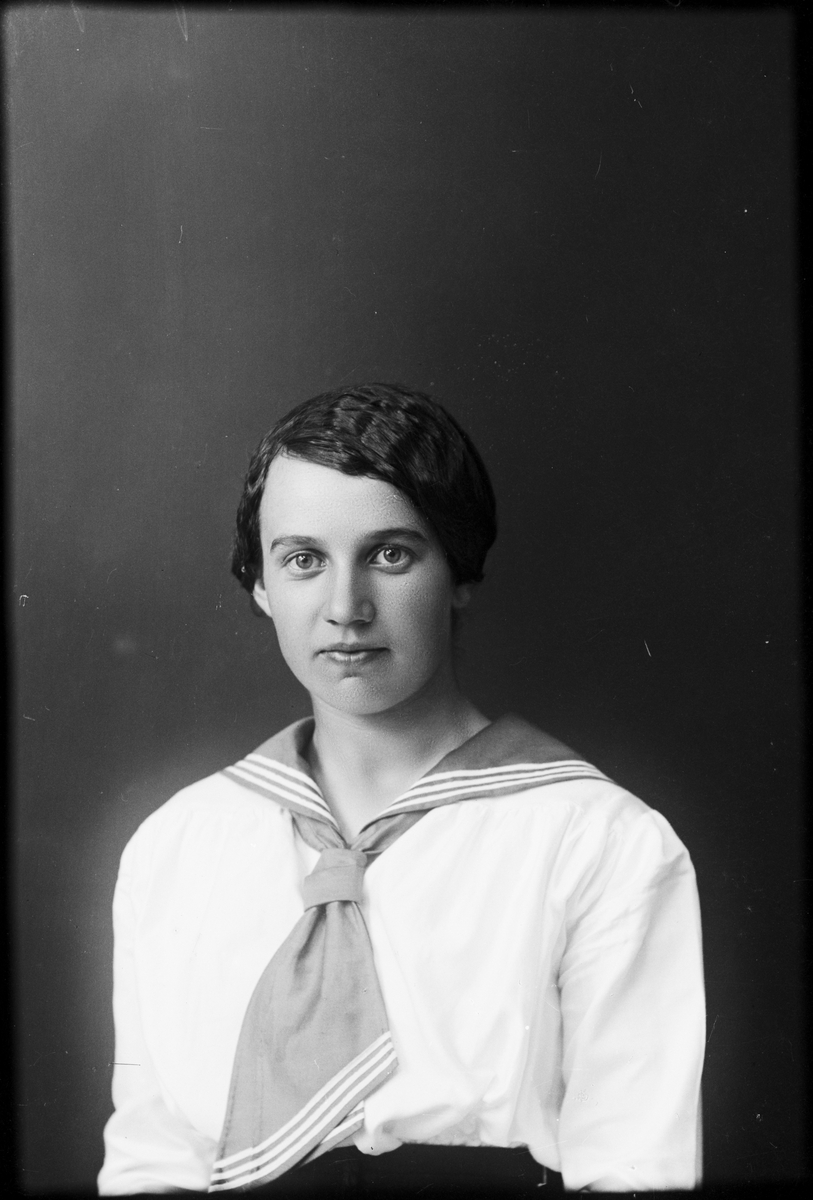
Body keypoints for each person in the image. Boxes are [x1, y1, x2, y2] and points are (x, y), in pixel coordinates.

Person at [98, 383, 705, 1196]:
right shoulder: (177, 845)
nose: (345, 608)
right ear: (260, 585)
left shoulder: (598, 840)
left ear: (458, 571)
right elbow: (151, 1157)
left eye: (389, 555)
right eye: (304, 560)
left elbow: (635, 1167)